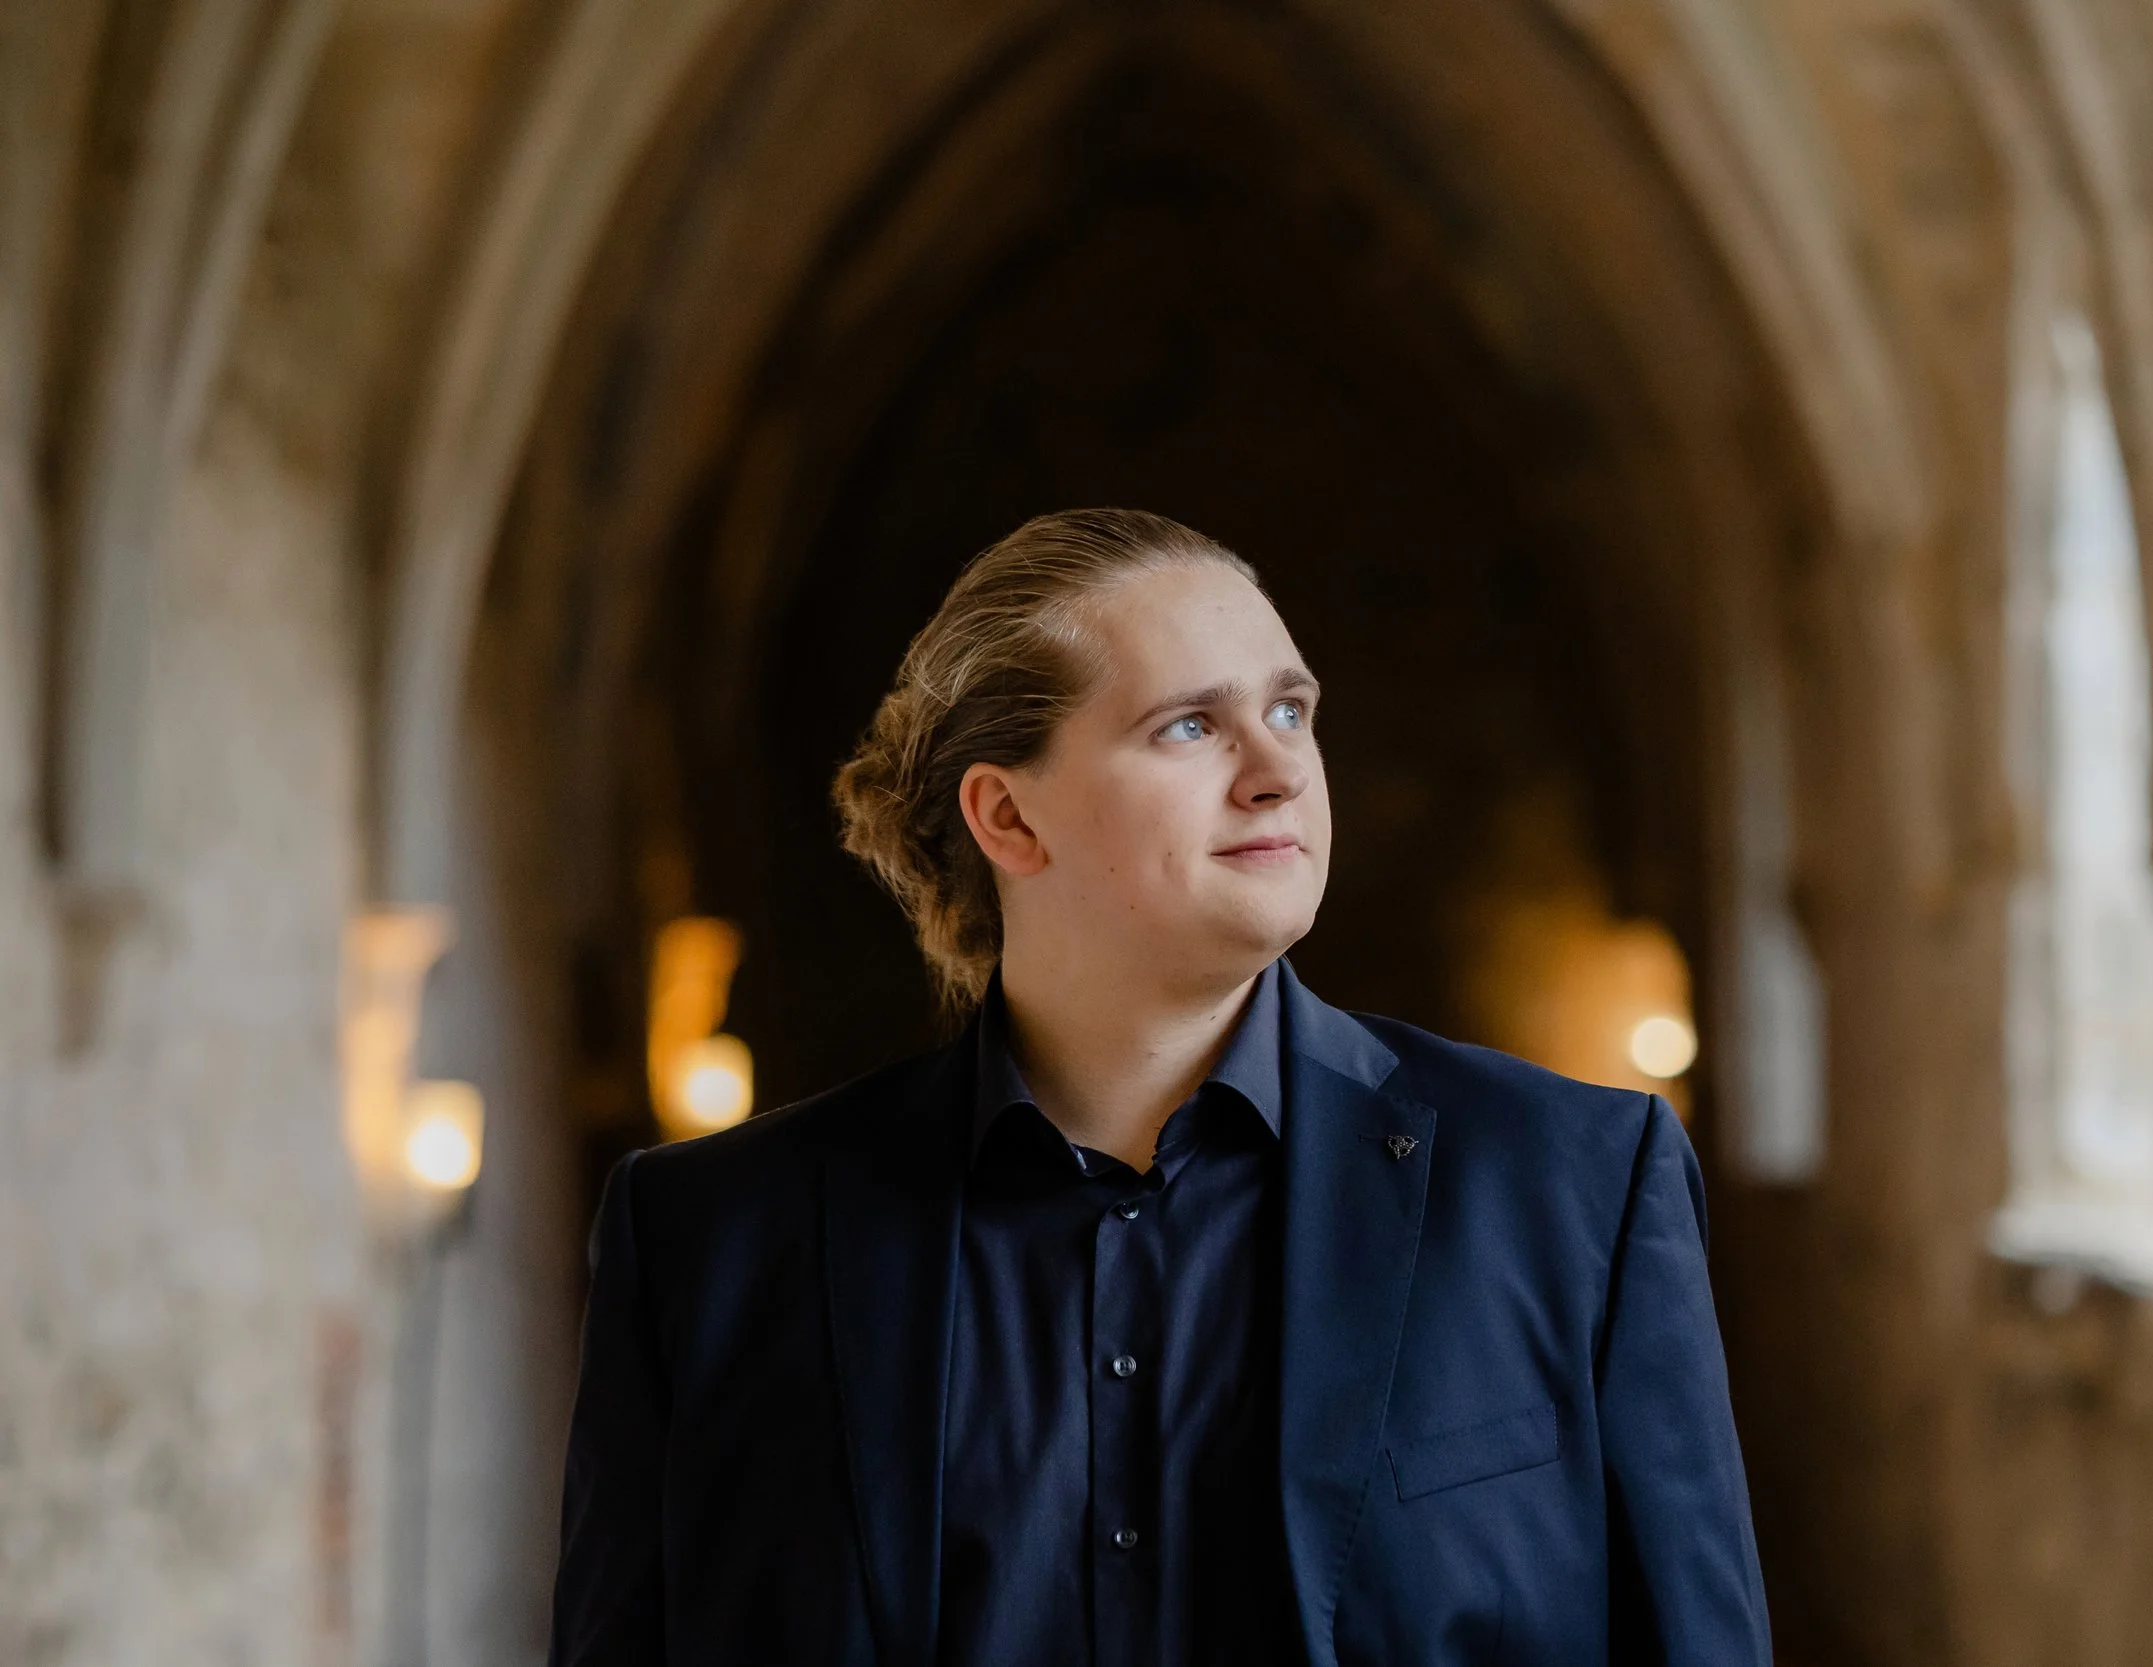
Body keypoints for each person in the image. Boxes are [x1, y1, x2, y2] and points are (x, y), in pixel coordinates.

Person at [547, 509, 1772, 1666]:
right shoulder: (710, 1239)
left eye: (1290, 710)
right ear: (1007, 815)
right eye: (1191, 725)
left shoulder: (1577, 1185)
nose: (1276, 771)